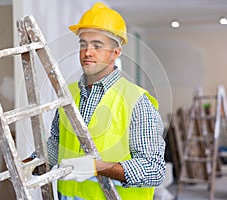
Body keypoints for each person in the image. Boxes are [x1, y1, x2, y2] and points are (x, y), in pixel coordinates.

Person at [46, 2, 166, 199]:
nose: (87, 52)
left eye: (97, 45)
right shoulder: (68, 95)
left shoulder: (137, 101)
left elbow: (154, 169)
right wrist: (33, 162)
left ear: (115, 52)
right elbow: (57, 144)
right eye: (83, 44)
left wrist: (97, 168)